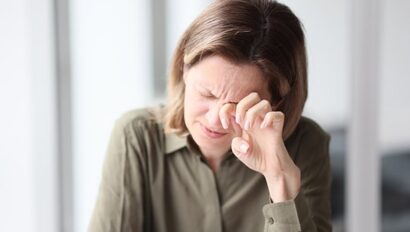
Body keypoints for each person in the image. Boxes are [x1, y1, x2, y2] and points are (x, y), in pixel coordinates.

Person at [88, 0, 332, 231]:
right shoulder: (136, 138)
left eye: (237, 105)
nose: (215, 119)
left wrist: (280, 183)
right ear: (184, 69)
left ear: (276, 102)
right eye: (206, 93)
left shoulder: (304, 144)